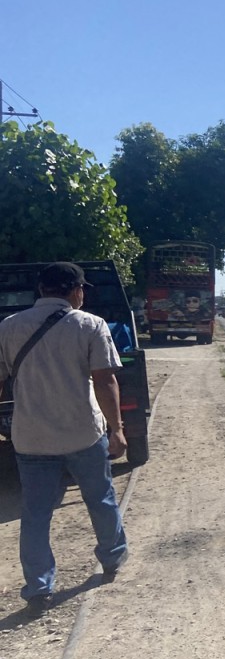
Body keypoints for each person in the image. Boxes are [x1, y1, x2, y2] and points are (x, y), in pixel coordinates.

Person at [0, 262, 129, 614]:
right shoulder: (90, 325)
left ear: (41, 291)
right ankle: (112, 557)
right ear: (76, 291)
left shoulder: (9, 327)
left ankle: (39, 587)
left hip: (31, 437)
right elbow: (104, 381)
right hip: (83, 433)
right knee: (100, 498)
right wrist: (117, 430)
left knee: (36, 512)